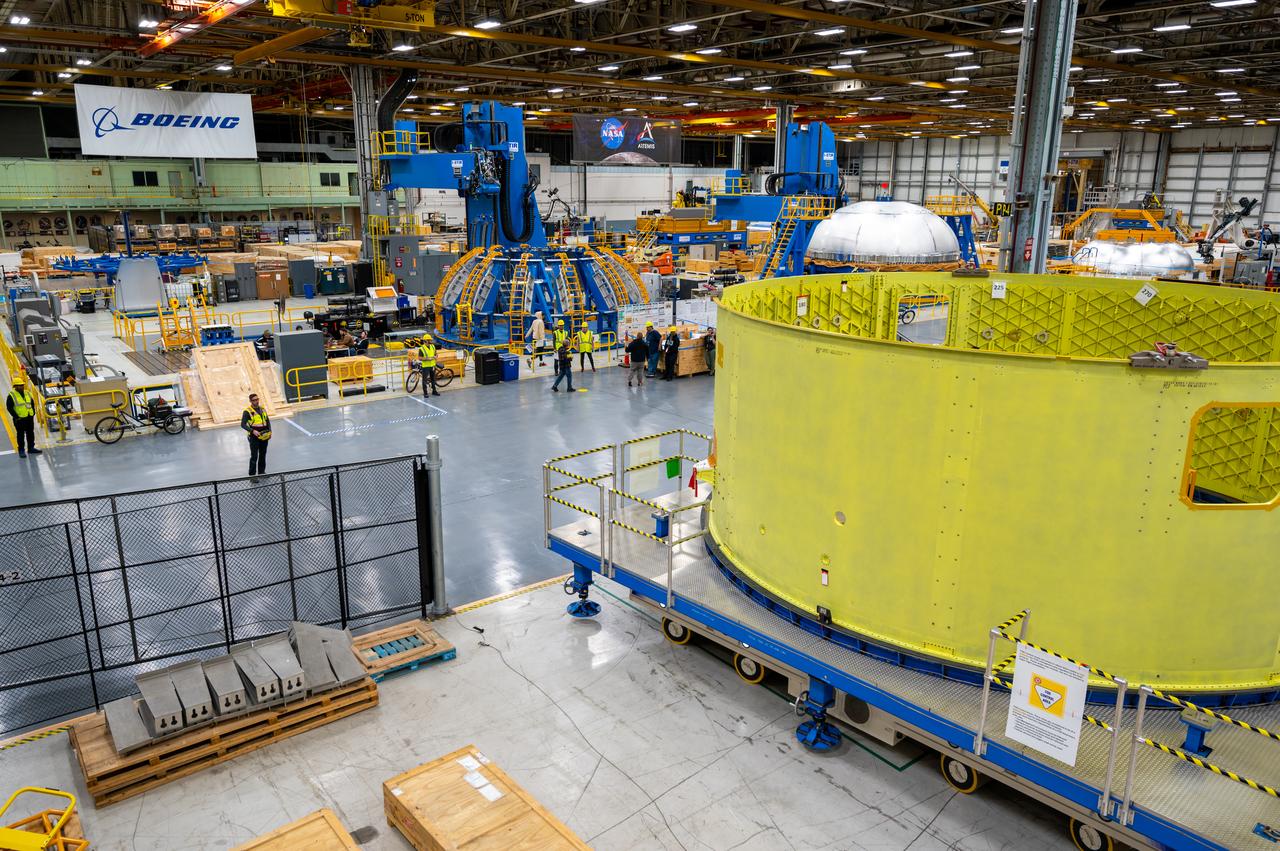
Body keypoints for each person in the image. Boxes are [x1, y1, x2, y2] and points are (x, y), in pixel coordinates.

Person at [7, 377, 40, 458]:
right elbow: (9, 408)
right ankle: (21, 450)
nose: (22, 386)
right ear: (15, 386)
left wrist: (33, 413)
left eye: (22, 385)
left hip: (29, 417)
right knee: (21, 435)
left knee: (30, 433)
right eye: (19, 385)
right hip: (19, 419)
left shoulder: (27, 393)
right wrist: (16, 417)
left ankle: (31, 448)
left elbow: (32, 403)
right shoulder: (11, 395)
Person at [240, 393, 271, 477]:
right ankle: (252, 475)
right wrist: (252, 431)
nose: (256, 401)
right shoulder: (247, 412)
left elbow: (267, 421)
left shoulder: (263, 409)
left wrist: (270, 431)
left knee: (263, 454)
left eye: (257, 399)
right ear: (250, 401)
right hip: (254, 437)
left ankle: (261, 472)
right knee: (254, 456)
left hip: (264, 435)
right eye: (254, 400)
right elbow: (243, 424)